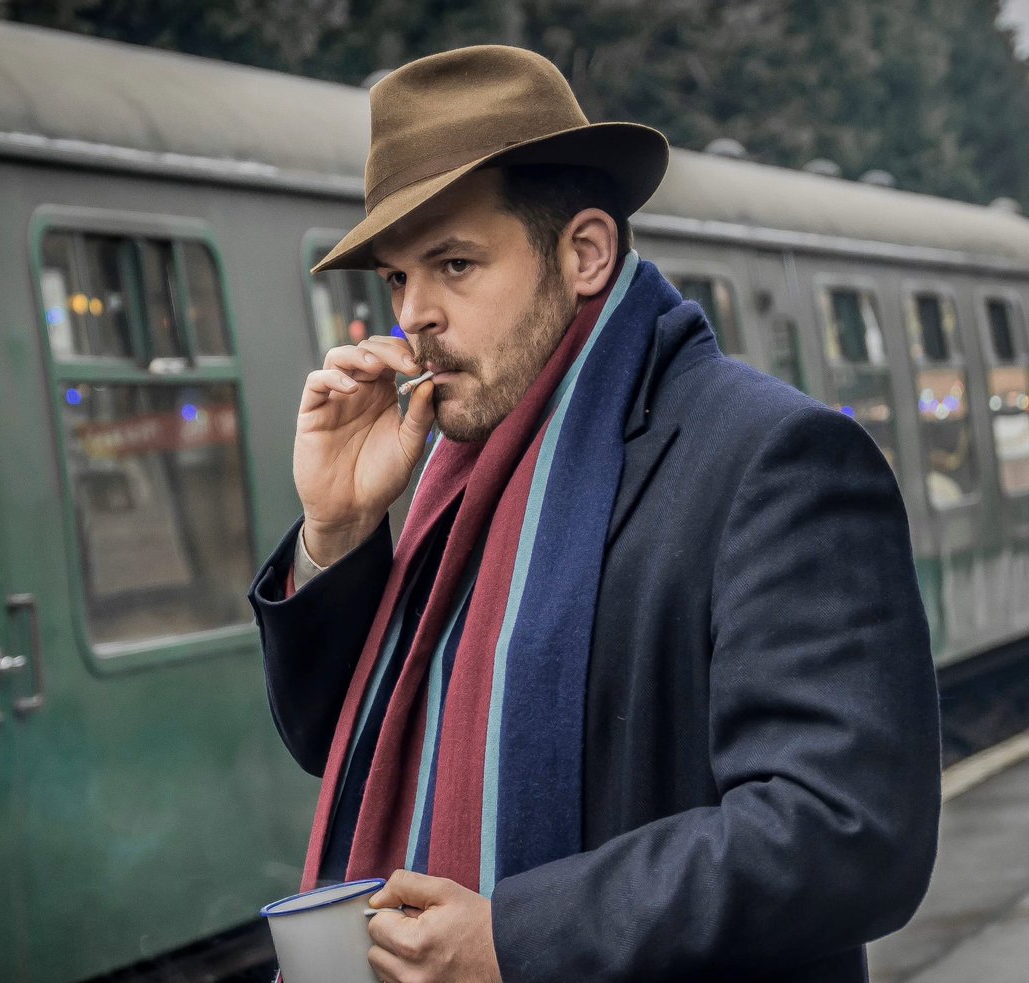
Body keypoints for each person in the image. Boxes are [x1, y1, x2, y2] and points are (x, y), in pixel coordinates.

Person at [249, 45, 940, 983]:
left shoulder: (772, 460)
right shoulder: (457, 472)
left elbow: (849, 833)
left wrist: (518, 939)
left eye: (455, 264)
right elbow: (349, 747)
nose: (415, 316)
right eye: (397, 280)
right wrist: (337, 530)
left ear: (584, 254)